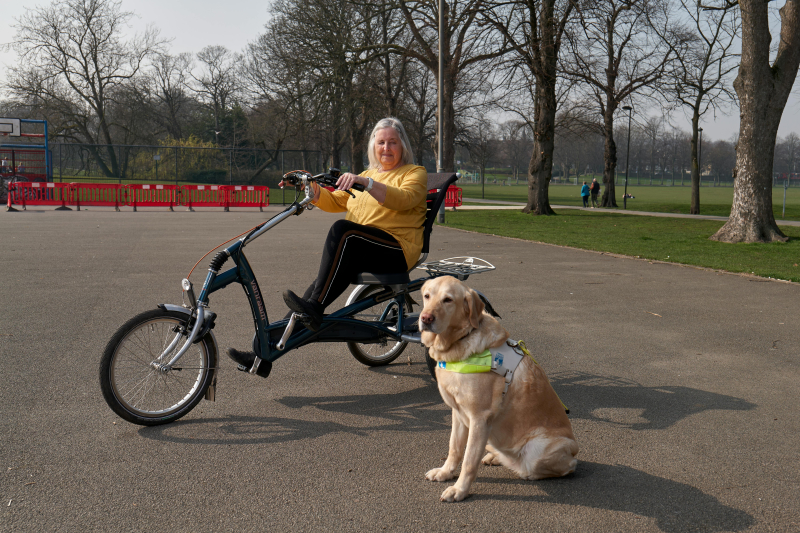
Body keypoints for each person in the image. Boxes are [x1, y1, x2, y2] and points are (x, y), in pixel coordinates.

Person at [229, 117, 428, 367]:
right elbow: (335, 201)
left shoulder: (414, 173)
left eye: (392, 143)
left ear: (403, 146)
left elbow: (403, 199)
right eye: (381, 143)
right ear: (373, 147)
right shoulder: (367, 174)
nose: (386, 148)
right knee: (316, 290)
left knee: (343, 232)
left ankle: (312, 309)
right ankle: (264, 354)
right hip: (361, 248)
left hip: (396, 250)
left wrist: (367, 183)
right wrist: (309, 185)